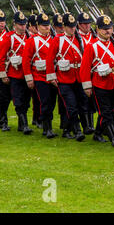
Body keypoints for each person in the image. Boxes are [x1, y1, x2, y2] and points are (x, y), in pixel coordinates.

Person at [80, 14, 114, 147]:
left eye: (109, 28)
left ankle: (98, 133)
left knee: (112, 111)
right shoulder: (92, 46)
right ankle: (113, 138)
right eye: (104, 28)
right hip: (100, 83)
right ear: (98, 29)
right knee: (105, 111)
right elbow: (85, 68)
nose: (108, 31)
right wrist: (87, 86)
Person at [46, 13, 86, 142]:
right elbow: (50, 59)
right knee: (71, 106)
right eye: (69, 27)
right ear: (64, 27)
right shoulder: (58, 40)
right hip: (64, 78)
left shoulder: (80, 40)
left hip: (78, 77)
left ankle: (67, 129)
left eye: (74, 26)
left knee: (79, 105)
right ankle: (77, 130)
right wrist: (52, 77)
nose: (72, 29)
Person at [0, 10, 33, 135]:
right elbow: (1, 57)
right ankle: (25, 125)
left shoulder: (29, 37)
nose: (23, 27)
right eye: (20, 24)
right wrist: (3, 75)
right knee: (18, 100)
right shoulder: (9, 38)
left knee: (26, 100)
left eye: (24, 24)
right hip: (14, 73)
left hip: (27, 74)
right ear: (14, 25)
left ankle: (21, 124)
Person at [23, 12, 58, 139]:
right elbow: (26, 60)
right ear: (38, 26)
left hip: (52, 75)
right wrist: (29, 78)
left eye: (48, 25)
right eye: (44, 26)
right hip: (39, 76)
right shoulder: (32, 41)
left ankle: (47, 125)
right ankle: (46, 127)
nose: (47, 27)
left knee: (52, 102)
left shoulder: (54, 40)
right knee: (45, 101)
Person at [77, 11, 97, 135]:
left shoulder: (93, 36)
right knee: (83, 98)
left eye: (88, 23)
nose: (87, 26)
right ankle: (86, 125)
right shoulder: (76, 37)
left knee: (93, 99)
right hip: (82, 71)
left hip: (94, 71)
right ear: (79, 24)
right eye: (84, 24)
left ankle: (92, 124)